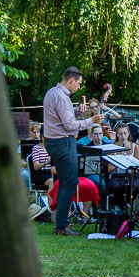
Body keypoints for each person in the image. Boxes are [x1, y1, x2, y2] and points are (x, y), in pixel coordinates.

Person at [43, 66, 104, 236]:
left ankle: (61, 223)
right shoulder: (62, 97)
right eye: (78, 83)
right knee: (69, 182)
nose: (79, 87)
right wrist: (91, 120)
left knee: (65, 182)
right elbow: (69, 125)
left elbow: (61, 118)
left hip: (53, 141)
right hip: (62, 142)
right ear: (71, 80)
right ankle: (62, 225)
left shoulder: (52, 93)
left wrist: (76, 112)